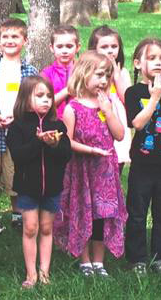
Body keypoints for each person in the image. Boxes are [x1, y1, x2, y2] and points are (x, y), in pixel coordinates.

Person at [54, 51, 127, 279]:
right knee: (83, 212)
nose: (104, 81)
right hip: (82, 170)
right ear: (84, 74)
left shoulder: (108, 103)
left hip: (105, 171)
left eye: (107, 75)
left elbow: (120, 134)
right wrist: (92, 150)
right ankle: (84, 260)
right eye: (99, 75)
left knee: (102, 216)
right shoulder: (72, 108)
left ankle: (99, 261)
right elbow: (69, 141)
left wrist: (108, 111)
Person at [122, 38, 161, 280]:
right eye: (152, 58)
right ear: (138, 63)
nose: (158, 63)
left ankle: (160, 257)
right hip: (142, 163)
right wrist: (155, 98)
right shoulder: (134, 92)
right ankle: (136, 258)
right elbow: (137, 123)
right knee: (137, 213)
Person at [6, 76, 71, 288]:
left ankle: (45, 272)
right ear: (25, 98)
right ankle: (31, 274)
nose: (46, 100)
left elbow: (66, 154)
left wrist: (54, 145)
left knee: (46, 227)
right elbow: (19, 156)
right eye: (40, 96)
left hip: (52, 187)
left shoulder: (58, 124)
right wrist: (38, 141)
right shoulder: (17, 127)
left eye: (49, 96)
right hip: (27, 187)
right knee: (30, 228)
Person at [0, 18, 39, 235]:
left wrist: (18, 116)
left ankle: (17, 216)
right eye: (5, 37)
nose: (10, 40)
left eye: (15, 37)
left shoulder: (30, 70)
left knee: (15, 174)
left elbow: (34, 99)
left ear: (24, 40)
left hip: (18, 130)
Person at [88, 25, 132, 168]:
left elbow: (128, 99)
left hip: (117, 118)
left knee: (117, 159)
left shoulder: (123, 72)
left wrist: (117, 76)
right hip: (97, 116)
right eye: (104, 47)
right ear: (94, 49)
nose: (110, 50)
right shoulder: (89, 72)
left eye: (114, 46)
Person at [40, 25, 80, 121]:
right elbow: (44, 103)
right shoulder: (46, 74)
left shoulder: (83, 71)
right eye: (59, 47)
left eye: (69, 46)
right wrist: (67, 91)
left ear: (78, 47)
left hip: (80, 122)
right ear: (52, 48)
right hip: (54, 122)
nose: (64, 51)